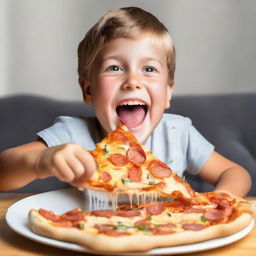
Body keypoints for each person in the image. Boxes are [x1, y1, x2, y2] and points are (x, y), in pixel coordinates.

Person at [0, 7, 251, 196]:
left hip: (170, 238)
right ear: (88, 90)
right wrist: (41, 162)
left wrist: (221, 199)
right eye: (115, 67)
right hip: (95, 235)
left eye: (149, 70)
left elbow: (236, 174)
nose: (133, 81)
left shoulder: (178, 132)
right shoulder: (72, 134)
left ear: (168, 93)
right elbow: (3, 173)